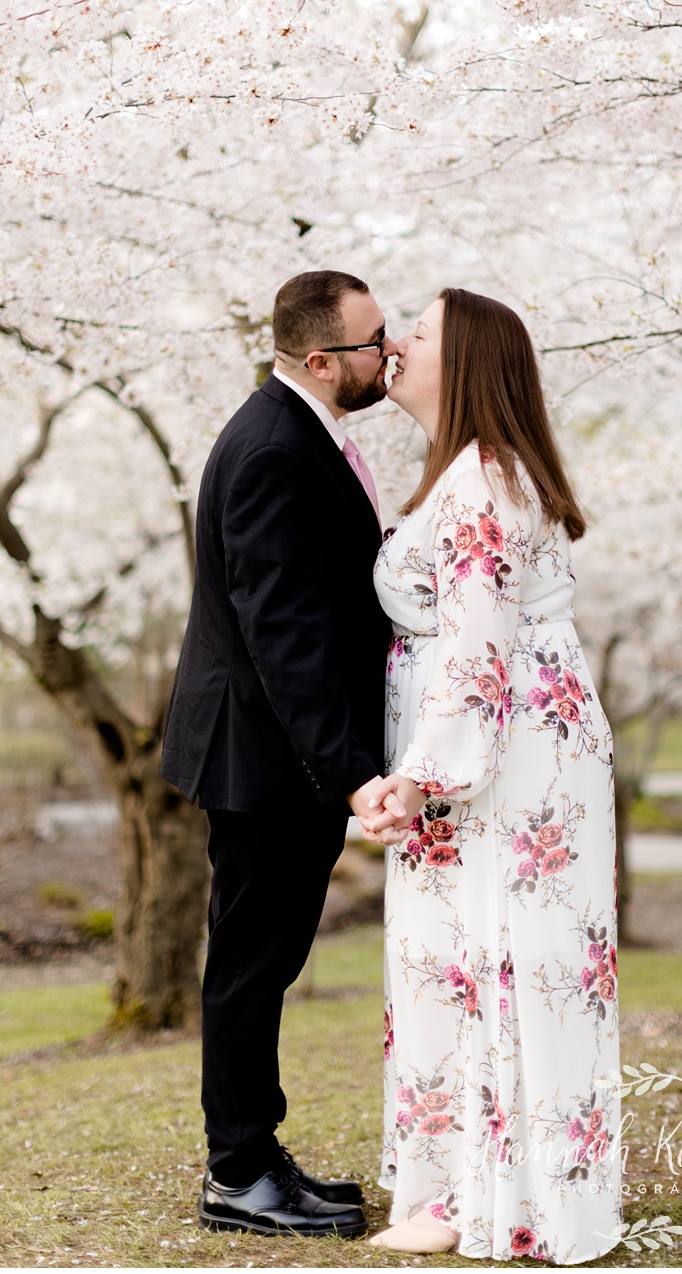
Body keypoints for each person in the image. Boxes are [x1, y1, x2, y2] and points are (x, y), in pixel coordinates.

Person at [357, 289, 620, 1262]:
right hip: (513, 745)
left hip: (501, 760)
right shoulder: (472, 474)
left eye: (414, 334)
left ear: (459, 362)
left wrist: (422, 781)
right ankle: (477, 1189)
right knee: (477, 962)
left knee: (493, 960)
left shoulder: (480, 481)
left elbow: (476, 653)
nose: (393, 344)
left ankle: (499, 1201)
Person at [162, 269, 409, 1238]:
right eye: (373, 340)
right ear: (320, 360)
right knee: (250, 965)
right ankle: (238, 1173)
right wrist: (350, 772)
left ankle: (259, 1155)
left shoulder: (302, 432)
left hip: (275, 758)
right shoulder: (272, 448)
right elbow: (285, 636)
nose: (388, 354)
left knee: (263, 960)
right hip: (263, 762)